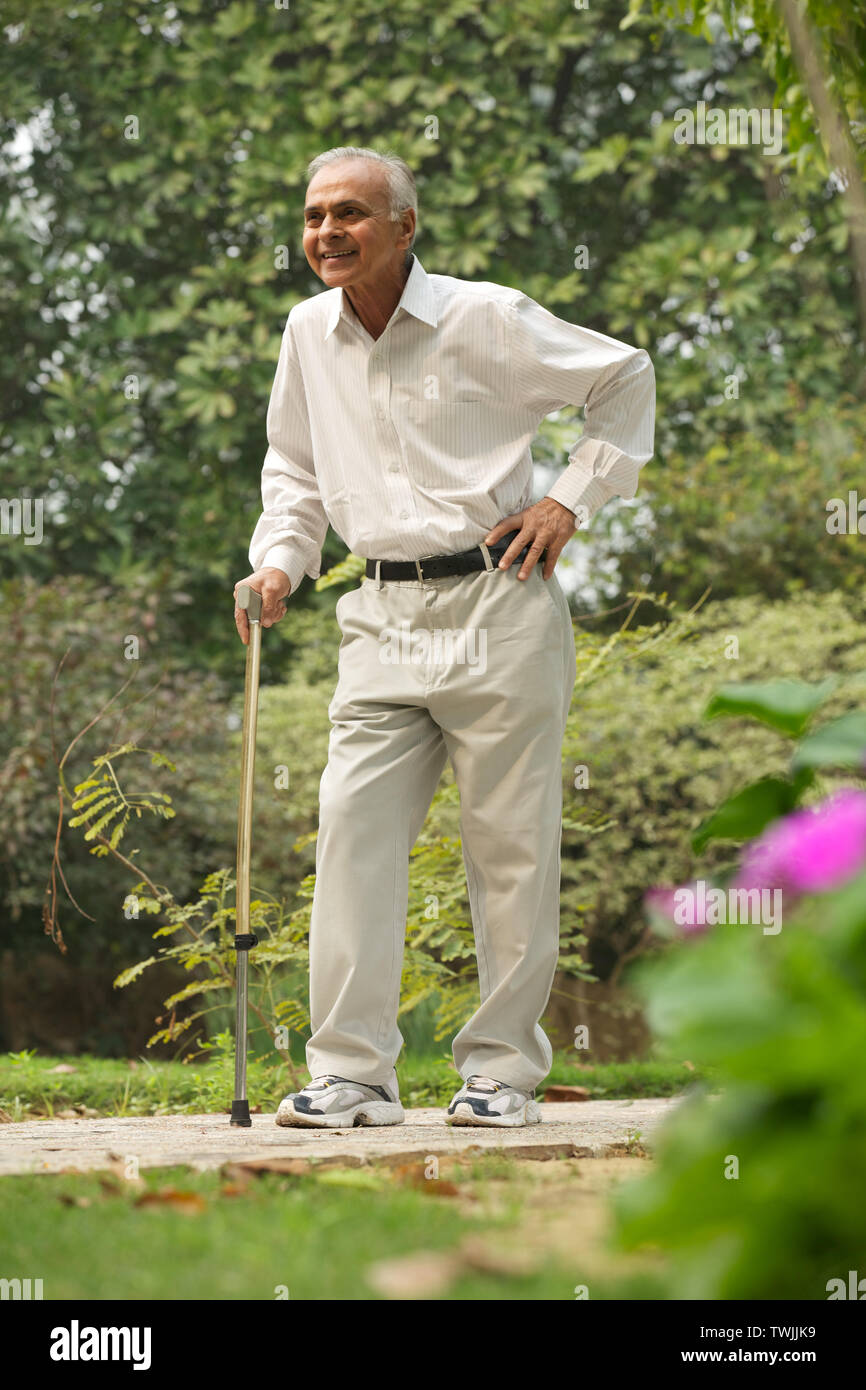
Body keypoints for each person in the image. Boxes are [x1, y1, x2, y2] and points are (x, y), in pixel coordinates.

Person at [233, 145, 655, 1129]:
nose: (325, 233)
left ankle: (502, 1072)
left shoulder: (483, 317)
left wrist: (567, 500)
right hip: (377, 613)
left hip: (499, 598)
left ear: (403, 227)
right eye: (311, 217)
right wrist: (276, 565)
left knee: (506, 849)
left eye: (348, 214)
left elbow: (623, 377)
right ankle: (351, 1074)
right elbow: (292, 473)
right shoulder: (305, 333)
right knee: (350, 835)